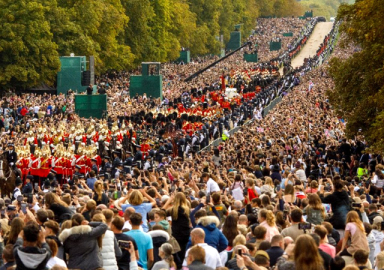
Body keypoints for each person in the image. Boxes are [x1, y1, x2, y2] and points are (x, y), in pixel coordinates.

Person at [162, 192, 190, 267]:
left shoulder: (173, 210)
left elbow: (162, 211)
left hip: (176, 233)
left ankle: (176, 266)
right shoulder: (187, 209)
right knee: (183, 252)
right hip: (186, 234)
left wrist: (169, 200)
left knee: (176, 252)